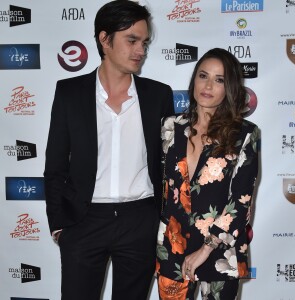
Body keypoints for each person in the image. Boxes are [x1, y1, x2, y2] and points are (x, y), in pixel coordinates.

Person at [44, 1, 174, 299]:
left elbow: (167, 165)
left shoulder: (158, 95)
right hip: (83, 220)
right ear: (104, 39)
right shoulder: (69, 93)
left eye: (144, 42)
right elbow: (55, 167)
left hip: (140, 219)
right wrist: (60, 226)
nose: (140, 50)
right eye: (132, 40)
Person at [156, 48, 259, 299]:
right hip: (172, 250)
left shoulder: (244, 134)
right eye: (203, 76)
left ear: (230, 88)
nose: (208, 85)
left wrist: (205, 249)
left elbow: (240, 202)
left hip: (219, 253)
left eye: (219, 79)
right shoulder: (170, 127)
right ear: (194, 80)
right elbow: (160, 188)